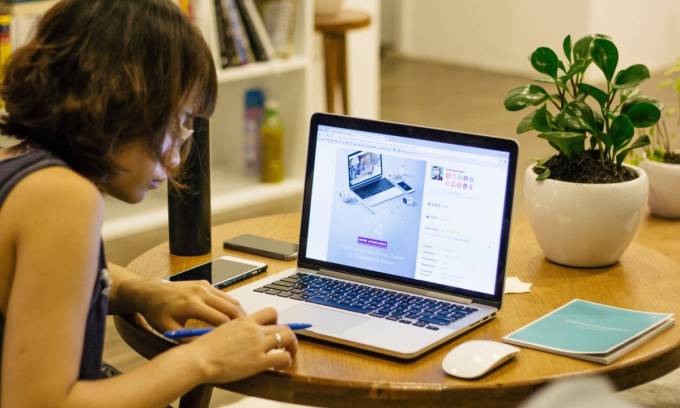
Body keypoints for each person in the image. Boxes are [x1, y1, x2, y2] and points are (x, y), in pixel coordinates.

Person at [0, 1, 297, 407]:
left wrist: (145, 292)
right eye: (174, 124)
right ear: (123, 103)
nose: (176, 157)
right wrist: (204, 359)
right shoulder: (64, 198)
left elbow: (47, 280)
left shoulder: (19, 166)